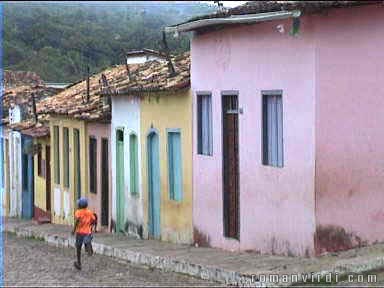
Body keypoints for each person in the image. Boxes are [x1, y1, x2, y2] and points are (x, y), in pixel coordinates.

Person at [72, 197, 96, 270]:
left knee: (78, 247)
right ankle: (89, 248)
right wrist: (90, 225)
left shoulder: (78, 212)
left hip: (79, 232)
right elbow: (93, 220)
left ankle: (79, 263)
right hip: (87, 231)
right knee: (87, 241)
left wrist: (73, 230)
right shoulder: (89, 212)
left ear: (79, 205)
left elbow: (77, 221)